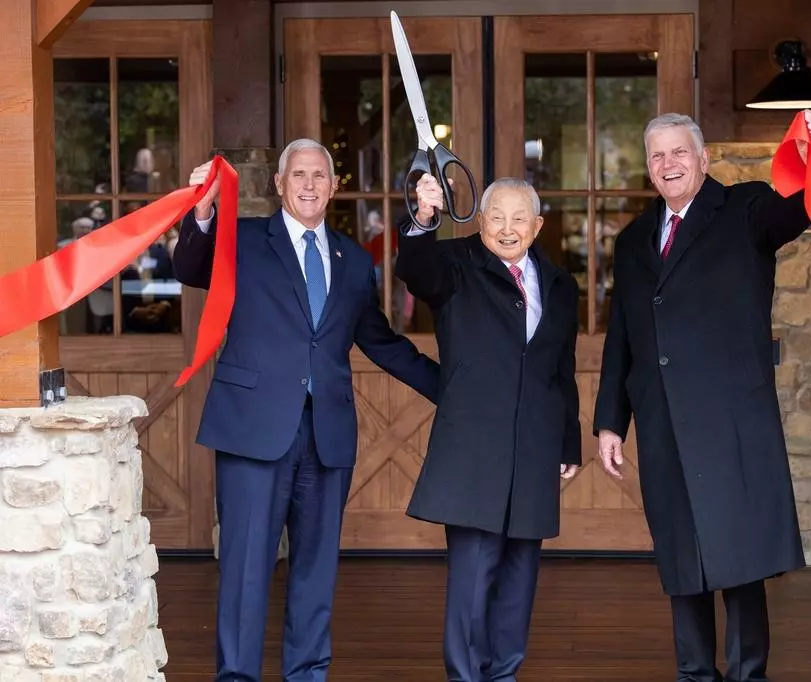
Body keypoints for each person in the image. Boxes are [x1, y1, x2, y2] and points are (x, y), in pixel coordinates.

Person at [173, 139, 440, 682]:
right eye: (299, 174)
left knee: (316, 572)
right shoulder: (244, 239)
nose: (310, 184)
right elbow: (190, 266)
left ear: (335, 184)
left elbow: (380, 341)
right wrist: (201, 212)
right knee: (247, 569)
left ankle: (307, 673)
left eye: (320, 175)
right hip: (253, 428)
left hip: (327, 433)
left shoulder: (353, 259)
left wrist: (452, 388)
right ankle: (238, 676)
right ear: (279, 184)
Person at [593, 109, 811, 682]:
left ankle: (749, 674)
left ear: (702, 159)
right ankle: (694, 672)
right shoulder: (631, 242)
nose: (668, 164)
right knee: (681, 554)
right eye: (657, 155)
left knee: (740, 555)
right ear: (648, 168)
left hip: (730, 420)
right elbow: (621, 334)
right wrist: (608, 423)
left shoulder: (745, 209)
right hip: (664, 419)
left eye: (679, 152)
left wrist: (808, 154)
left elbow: (798, 209)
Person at [395, 174, 581, 682]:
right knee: (473, 578)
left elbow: (561, 370)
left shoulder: (562, 285)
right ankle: (465, 675)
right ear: (480, 222)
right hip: (473, 447)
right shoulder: (455, 266)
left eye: (519, 217)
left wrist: (569, 443)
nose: (506, 228)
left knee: (520, 577)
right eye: (496, 216)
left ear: (538, 225)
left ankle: (504, 674)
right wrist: (423, 218)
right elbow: (414, 269)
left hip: (536, 447)